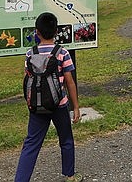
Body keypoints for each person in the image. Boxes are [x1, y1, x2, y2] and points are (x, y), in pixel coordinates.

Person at [14, 12, 83, 182]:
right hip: (59, 105)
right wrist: (75, 107)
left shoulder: (30, 53)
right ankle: (70, 176)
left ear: (37, 32)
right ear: (56, 31)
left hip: (37, 106)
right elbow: (70, 82)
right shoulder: (62, 53)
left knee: (31, 144)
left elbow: (28, 79)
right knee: (66, 140)